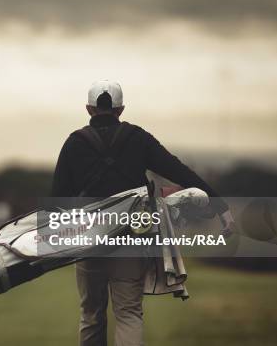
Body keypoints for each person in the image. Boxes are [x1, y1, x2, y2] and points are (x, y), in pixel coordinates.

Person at [51, 80, 235, 346]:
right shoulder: (138, 138)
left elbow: (58, 200)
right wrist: (220, 205)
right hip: (131, 238)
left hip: (89, 239)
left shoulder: (73, 143)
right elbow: (179, 171)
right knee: (128, 314)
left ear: (89, 109)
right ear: (121, 109)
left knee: (91, 315)